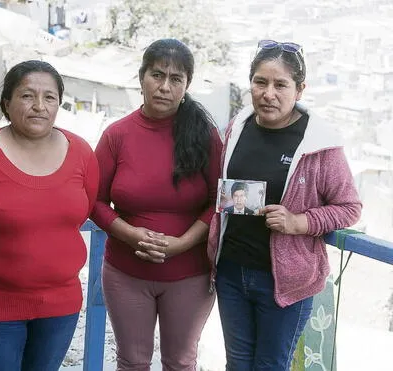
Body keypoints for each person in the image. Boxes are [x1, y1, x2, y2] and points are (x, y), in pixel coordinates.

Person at [207, 39, 362, 370]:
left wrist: (299, 222)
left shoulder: (319, 143)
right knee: (236, 365)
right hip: (231, 271)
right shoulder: (237, 127)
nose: (268, 93)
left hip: (285, 282)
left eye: (281, 84)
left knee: (271, 366)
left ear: (300, 89)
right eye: (260, 82)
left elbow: (349, 207)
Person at [0, 60, 99, 371]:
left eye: (50, 97)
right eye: (27, 95)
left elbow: (85, 208)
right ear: (7, 103)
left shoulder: (82, 153)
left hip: (60, 304)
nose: (39, 106)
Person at [90, 39, 223, 371]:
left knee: (180, 362)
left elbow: (221, 199)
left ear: (186, 85)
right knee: (132, 362)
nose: (165, 86)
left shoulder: (204, 135)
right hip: (125, 273)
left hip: (190, 275)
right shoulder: (116, 135)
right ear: (141, 77)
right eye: (157, 75)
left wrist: (181, 244)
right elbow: (93, 200)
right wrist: (130, 234)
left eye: (175, 79)